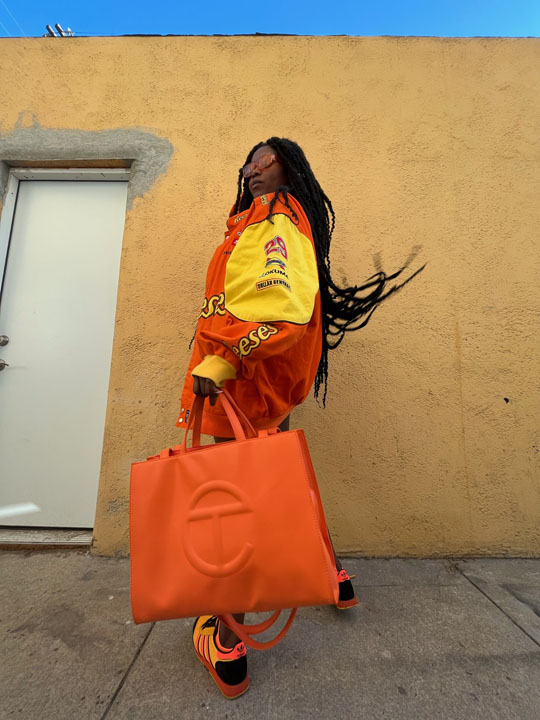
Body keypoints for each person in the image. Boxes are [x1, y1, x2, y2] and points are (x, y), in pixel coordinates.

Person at [177, 137, 424, 699]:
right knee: (276, 484)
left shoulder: (274, 218)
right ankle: (328, 575)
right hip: (262, 386)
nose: (255, 168)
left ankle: (224, 635)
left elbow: (277, 306)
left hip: (240, 384)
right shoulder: (264, 219)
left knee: (230, 508)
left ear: (291, 167)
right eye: (249, 160)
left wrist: (222, 359)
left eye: (268, 159)